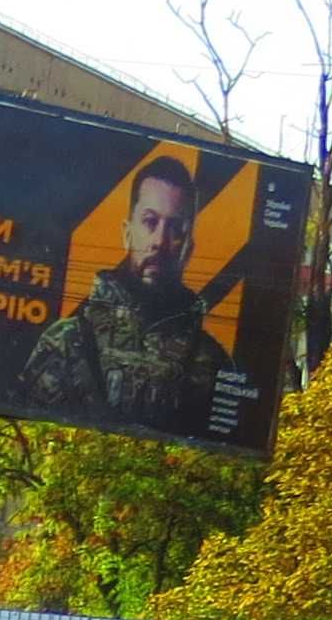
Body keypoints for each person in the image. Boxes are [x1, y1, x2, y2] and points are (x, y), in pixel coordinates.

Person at [18, 155, 236, 434]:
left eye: (175, 229)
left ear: (189, 250)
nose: (160, 241)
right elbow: (29, 438)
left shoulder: (213, 362)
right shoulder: (66, 342)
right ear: (127, 233)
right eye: (149, 222)